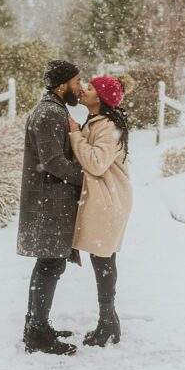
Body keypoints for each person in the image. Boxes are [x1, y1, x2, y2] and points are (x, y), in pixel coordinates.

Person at [17, 60, 85, 355]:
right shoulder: (48, 113)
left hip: (50, 200)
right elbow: (53, 161)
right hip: (49, 202)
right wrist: (86, 178)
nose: (80, 88)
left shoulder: (53, 110)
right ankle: (37, 334)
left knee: (49, 263)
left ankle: (37, 325)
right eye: (77, 82)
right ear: (62, 84)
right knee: (50, 264)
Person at [67, 75, 134, 347]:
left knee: (103, 259)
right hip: (106, 199)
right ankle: (109, 321)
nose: (85, 90)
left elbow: (95, 163)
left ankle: (108, 323)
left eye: (91, 87)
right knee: (102, 259)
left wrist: (74, 134)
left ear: (101, 99)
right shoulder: (99, 122)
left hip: (110, 200)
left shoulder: (107, 126)